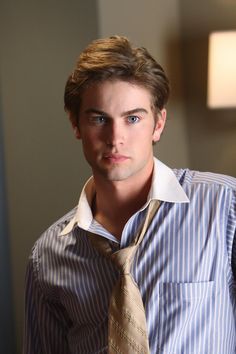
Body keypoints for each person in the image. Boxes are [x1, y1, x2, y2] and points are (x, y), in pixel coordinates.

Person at [24, 35, 236, 354]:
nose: (115, 138)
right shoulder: (47, 257)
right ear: (75, 124)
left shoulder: (223, 207)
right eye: (99, 119)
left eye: (133, 118)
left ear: (158, 124)